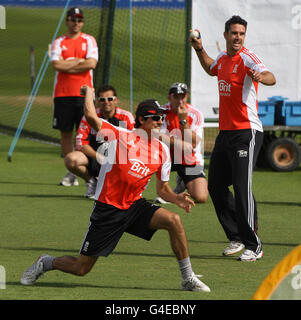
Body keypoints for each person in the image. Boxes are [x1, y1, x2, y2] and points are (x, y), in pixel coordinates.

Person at [20, 86, 211, 293]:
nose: (159, 122)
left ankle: (188, 278)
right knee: (81, 268)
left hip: (134, 206)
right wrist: (89, 93)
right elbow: (91, 117)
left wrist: (176, 199)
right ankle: (46, 262)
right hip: (108, 209)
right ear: (141, 120)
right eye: (154, 118)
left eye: (161, 118)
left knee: (174, 221)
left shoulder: (163, 150)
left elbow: (163, 189)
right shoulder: (121, 135)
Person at [189, 15, 276, 261]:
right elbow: (210, 68)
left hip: (246, 132)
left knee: (241, 186)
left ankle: (254, 245)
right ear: (226, 35)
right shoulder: (222, 59)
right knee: (215, 185)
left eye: (241, 33)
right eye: (234, 33)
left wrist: (261, 78)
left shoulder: (248, 58)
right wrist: (199, 49)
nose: (238, 37)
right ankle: (236, 236)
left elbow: (270, 75)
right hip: (225, 133)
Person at [50, 7, 98, 187]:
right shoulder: (59, 42)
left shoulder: (89, 40)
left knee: (86, 134)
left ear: (82, 22)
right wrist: (79, 62)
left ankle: (88, 170)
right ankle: (71, 171)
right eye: (73, 19)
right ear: (67, 21)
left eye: (79, 20)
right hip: (62, 94)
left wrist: (69, 63)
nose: (76, 23)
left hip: (84, 94)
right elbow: (56, 65)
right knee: (66, 134)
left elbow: (91, 63)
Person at [65, 85, 135, 199]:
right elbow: (80, 143)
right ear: (97, 101)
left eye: (110, 99)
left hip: (118, 160)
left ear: (116, 100)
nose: (106, 102)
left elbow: (134, 143)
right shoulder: (91, 117)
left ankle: (122, 188)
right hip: (95, 157)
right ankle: (93, 183)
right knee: (71, 159)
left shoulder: (125, 116)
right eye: (102, 99)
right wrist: (99, 157)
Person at [155, 82, 209, 204]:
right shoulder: (162, 112)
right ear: (170, 98)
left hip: (189, 159)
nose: (180, 101)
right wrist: (181, 144)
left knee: (201, 197)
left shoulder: (196, 114)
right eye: (176, 97)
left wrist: (183, 120)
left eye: (182, 96)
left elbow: (193, 144)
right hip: (167, 156)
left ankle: (183, 181)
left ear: (187, 97)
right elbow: (157, 137)